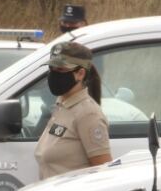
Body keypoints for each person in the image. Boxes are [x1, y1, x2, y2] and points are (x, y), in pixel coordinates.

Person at [34, 41, 112, 179]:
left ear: (80, 74)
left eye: (61, 70)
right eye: (51, 68)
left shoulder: (88, 114)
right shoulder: (62, 106)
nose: (54, 74)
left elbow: (103, 172)